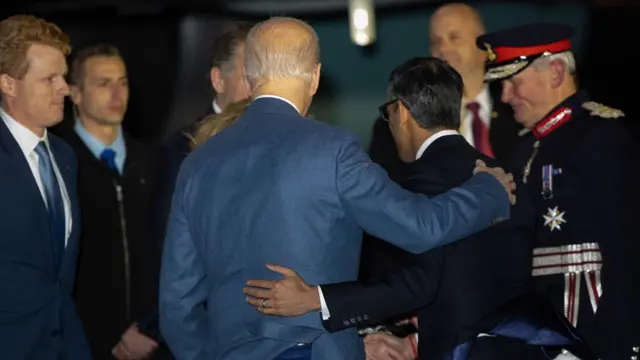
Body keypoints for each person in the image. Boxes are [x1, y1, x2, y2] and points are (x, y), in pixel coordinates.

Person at [159, 17, 515, 360]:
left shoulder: (197, 164)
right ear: (314, 77)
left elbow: (177, 303)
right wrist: (488, 190)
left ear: (251, 77)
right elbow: (419, 226)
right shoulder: (331, 150)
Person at [243, 57, 594, 360]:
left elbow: (417, 285)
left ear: (402, 112)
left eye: (388, 114)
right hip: (522, 349)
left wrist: (316, 299)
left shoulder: (422, 181)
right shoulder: (504, 176)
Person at [477, 22, 640, 359]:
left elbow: (626, 255)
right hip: (540, 332)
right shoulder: (523, 149)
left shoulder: (602, 138)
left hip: (593, 330)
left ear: (554, 72)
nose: (505, 96)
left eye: (513, 81)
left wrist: (619, 346)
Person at [360, 2, 522, 281]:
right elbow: (384, 214)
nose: (443, 49)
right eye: (435, 41)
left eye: (454, 37)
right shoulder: (396, 124)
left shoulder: (518, 112)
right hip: (434, 279)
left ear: (484, 47)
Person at [51, 44, 171, 360]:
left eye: (123, 82)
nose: (117, 94)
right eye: (103, 84)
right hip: (83, 344)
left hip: (152, 343)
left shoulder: (153, 162)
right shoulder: (58, 164)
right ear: (74, 93)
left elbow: (172, 255)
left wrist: (151, 328)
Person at [0, 14, 91, 359]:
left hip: (64, 344)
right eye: (49, 79)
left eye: (63, 77)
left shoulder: (65, 156)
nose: (65, 89)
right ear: (9, 85)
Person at [153, 22, 253, 248]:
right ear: (218, 79)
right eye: (248, 75)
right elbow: (171, 242)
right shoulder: (181, 149)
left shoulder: (279, 140)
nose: (258, 86)